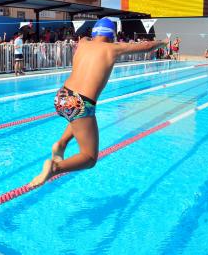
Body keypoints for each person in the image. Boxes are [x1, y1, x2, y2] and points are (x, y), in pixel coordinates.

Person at [28, 18, 168, 187]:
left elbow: (89, 38)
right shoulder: (112, 48)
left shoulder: (84, 42)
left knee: (77, 119)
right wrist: (163, 42)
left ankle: (61, 143)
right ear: (112, 36)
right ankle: (55, 167)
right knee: (89, 157)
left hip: (62, 96)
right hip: (80, 102)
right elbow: (147, 46)